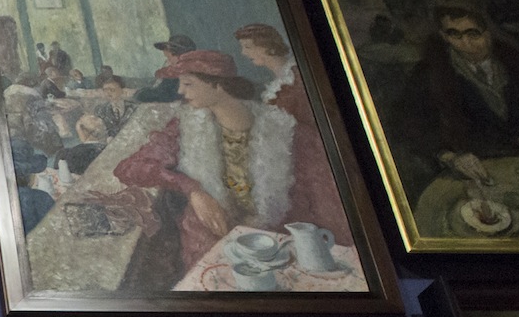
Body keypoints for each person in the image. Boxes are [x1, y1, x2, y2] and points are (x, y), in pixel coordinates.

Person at [112, 49, 349, 275]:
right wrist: (192, 189)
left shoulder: (285, 129)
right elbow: (129, 168)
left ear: (218, 85)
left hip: (276, 244)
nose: (181, 91)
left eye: (189, 84)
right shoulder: (185, 126)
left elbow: (328, 200)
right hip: (208, 242)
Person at [385, 4, 519, 192]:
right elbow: (403, 124)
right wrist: (450, 157)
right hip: (475, 178)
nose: (465, 44)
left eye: (473, 34)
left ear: (490, 32)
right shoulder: (429, 74)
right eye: (454, 35)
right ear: (443, 35)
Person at [235, 22, 312, 129]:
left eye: (248, 47)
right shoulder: (279, 79)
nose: (243, 52)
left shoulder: (295, 75)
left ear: (268, 46)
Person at [133, 34, 195, 103]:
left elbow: (160, 96)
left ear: (180, 56)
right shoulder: (175, 72)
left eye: (169, 58)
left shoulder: (176, 75)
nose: (167, 61)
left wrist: (137, 93)